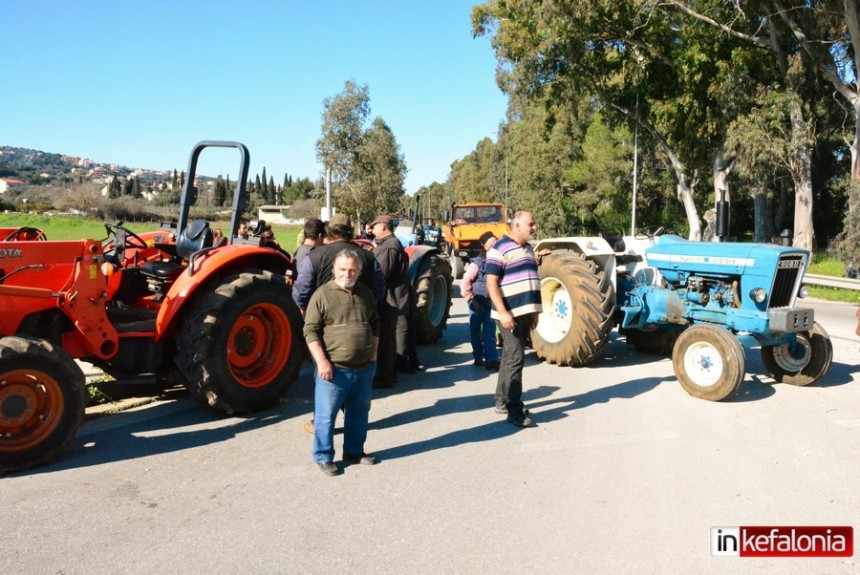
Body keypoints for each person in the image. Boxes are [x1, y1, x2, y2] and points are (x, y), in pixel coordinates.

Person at [304, 249, 380, 476]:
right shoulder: (322, 295)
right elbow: (310, 331)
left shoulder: (365, 293)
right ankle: (324, 456)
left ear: (359, 271)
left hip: (364, 368)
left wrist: (374, 356)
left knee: (359, 413)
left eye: (353, 269)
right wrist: (322, 363)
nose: (348, 273)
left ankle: (354, 452)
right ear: (334, 270)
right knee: (326, 417)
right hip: (334, 371)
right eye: (343, 269)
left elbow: (375, 324)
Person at [485, 211, 548, 428]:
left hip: (524, 314)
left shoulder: (529, 249)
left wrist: (535, 312)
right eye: (531, 224)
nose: (534, 227)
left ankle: (501, 401)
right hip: (509, 314)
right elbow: (491, 283)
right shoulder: (499, 248)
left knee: (509, 358)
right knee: (516, 358)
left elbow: (530, 279)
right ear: (517, 225)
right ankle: (514, 409)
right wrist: (503, 313)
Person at [369, 214, 409, 388]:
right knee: (388, 338)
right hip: (391, 298)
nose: (372, 230)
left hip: (389, 300)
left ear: (384, 227)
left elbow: (382, 274)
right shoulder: (390, 244)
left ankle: (386, 376)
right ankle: (388, 373)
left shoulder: (388, 246)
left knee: (386, 339)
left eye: (375, 227)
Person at [461, 231, 499, 370]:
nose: (497, 245)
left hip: (491, 302)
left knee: (490, 331)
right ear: (486, 246)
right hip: (476, 302)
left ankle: (492, 359)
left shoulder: (498, 262)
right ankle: (478, 356)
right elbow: (465, 282)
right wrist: (472, 300)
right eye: (493, 243)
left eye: (497, 242)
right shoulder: (477, 263)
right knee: (475, 330)